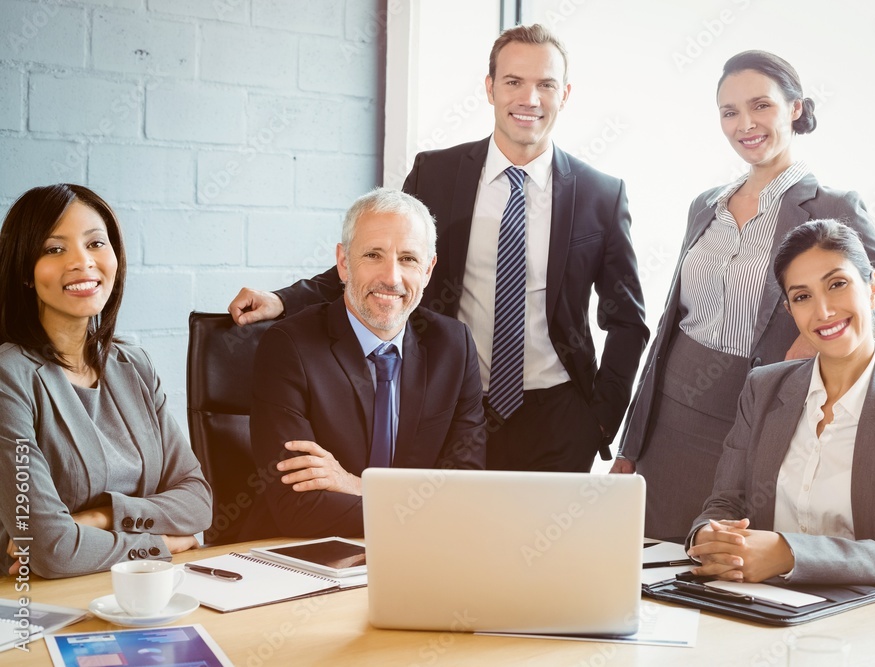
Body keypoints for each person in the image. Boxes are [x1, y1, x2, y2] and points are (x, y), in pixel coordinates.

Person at [228, 24, 648, 473]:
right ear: (490, 89)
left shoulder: (601, 195)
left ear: (564, 94)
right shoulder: (437, 173)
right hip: (451, 406)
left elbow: (627, 320)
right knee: (446, 533)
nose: (529, 98)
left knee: (543, 543)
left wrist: (601, 421)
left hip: (559, 417)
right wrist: (284, 300)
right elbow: (381, 262)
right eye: (513, 82)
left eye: (545, 84)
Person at [613, 50, 875, 538]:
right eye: (730, 112)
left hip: (756, 412)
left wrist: (819, 334)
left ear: (794, 108)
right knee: (649, 572)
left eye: (760, 105)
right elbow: (667, 328)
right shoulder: (705, 204)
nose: (745, 123)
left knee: (729, 570)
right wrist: (630, 442)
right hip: (671, 416)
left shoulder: (830, 207)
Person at [685, 219, 875, 589]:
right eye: (802, 297)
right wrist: (708, 537)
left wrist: (788, 553)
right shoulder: (763, 388)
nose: (824, 311)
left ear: (873, 288)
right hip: (764, 603)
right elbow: (725, 504)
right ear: (791, 310)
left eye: (837, 284)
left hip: (870, 615)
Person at [242, 188, 487, 540]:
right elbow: (299, 508)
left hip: (420, 561)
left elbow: (468, 496)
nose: (391, 277)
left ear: (429, 269)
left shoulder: (453, 346)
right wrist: (429, 514)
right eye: (373, 255)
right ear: (343, 263)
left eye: (408, 259)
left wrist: (357, 486)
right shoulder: (290, 348)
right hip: (312, 562)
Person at [0, 184, 211, 579]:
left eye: (96, 243)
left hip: (140, 589)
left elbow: (198, 501)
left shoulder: (134, 365)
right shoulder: (9, 376)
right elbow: (51, 550)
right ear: (25, 272)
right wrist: (160, 544)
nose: (83, 262)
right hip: (39, 602)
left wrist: (102, 516)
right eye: (53, 249)